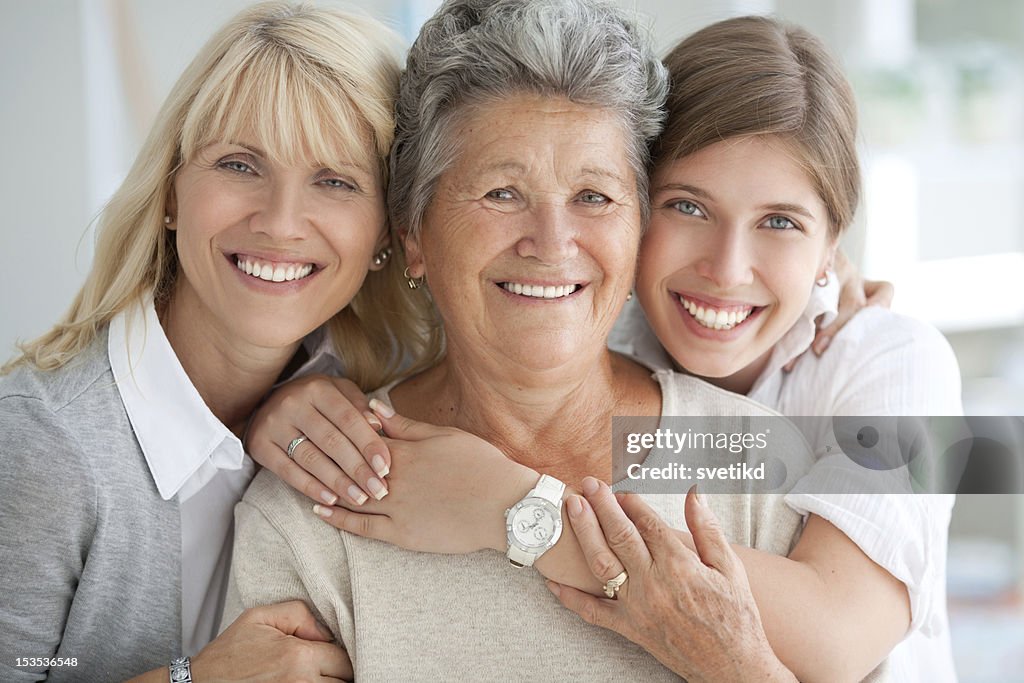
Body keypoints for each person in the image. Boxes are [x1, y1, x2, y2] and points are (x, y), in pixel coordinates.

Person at [224, 1, 903, 680]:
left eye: (594, 197)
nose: (552, 245)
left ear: (635, 229)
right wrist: (271, 402)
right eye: (501, 192)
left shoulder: (785, 442)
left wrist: (524, 510)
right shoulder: (315, 502)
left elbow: (849, 630)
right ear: (413, 236)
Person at [0, 2, 438, 681]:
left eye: (335, 181)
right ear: (171, 191)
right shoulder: (44, 444)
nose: (281, 221)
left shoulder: (386, 389)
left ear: (386, 233)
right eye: (239, 164)